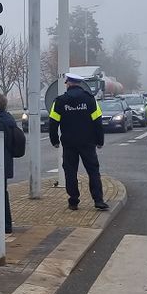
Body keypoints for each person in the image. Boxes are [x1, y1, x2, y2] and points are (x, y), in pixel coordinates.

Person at [48, 73, 108, 211]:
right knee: (93, 171)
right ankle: (98, 200)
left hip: (69, 143)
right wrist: (100, 140)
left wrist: (54, 141)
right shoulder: (90, 100)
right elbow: (98, 122)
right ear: (79, 84)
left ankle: (73, 201)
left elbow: (53, 123)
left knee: (70, 172)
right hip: (88, 142)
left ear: (68, 83)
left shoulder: (60, 101)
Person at [0, 91, 19, 233]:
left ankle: (4, 224)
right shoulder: (8, 118)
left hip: (0, 162)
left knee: (0, 192)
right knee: (0, 191)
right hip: (6, 160)